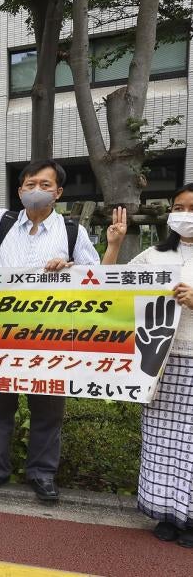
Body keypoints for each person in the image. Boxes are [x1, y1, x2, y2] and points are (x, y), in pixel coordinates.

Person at [0, 128, 100, 502]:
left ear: (58, 192)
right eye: (30, 183)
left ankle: (42, 474)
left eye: (44, 184)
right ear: (19, 191)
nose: (36, 188)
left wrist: (72, 266)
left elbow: (96, 282)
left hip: (52, 337)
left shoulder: (72, 231)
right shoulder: (1, 223)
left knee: (48, 411)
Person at [104, 187, 193, 548]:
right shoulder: (153, 256)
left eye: (192, 208)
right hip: (159, 361)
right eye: (178, 207)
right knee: (161, 440)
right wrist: (113, 245)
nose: (184, 214)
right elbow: (106, 289)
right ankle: (166, 513)